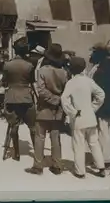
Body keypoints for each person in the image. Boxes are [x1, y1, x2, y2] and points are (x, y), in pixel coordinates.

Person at [26, 43, 69, 175]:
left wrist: (52, 99)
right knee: (55, 137)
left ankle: (38, 166)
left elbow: (42, 91)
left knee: (40, 137)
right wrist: (58, 100)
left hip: (44, 107)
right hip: (58, 110)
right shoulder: (64, 73)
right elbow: (66, 91)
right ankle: (57, 165)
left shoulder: (43, 70)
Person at [61, 56, 106, 179]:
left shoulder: (71, 82)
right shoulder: (88, 81)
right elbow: (101, 94)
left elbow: (64, 99)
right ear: (83, 68)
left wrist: (72, 112)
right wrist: (93, 107)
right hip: (90, 116)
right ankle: (101, 167)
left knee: (78, 144)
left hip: (78, 117)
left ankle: (80, 171)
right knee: (94, 143)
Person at [2, 37, 37, 161]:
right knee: (33, 126)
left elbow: (4, 82)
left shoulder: (7, 65)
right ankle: (37, 152)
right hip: (26, 97)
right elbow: (32, 82)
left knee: (13, 125)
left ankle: (16, 153)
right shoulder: (29, 65)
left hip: (11, 97)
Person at [91, 43, 110, 171]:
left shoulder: (100, 70)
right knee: (108, 132)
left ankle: (104, 159)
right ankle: (108, 158)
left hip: (102, 105)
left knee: (102, 132)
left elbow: (96, 90)